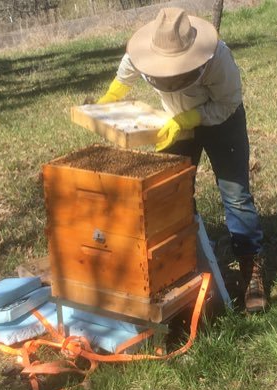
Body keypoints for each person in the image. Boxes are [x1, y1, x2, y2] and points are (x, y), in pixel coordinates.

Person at [95, 7, 267, 312]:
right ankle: (190, 261)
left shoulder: (217, 58)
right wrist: (112, 95)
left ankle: (251, 269)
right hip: (175, 120)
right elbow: (128, 69)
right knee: (173, 194)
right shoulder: (142, 54)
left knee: (236, 195)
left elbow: (228, 103)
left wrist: (190, 117)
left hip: (221, 122)